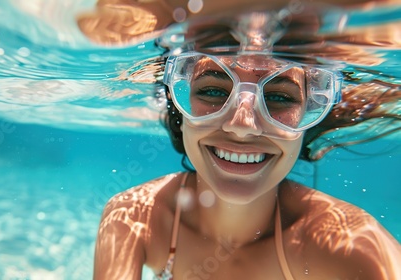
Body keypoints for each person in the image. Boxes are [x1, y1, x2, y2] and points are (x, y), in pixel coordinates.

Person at [78, 1, 401, 279]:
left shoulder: (351, 244)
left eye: (279, 97)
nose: (243, 126)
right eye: (214, 91)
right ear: (180, 109)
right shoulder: (135, 215)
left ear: (308, 116)